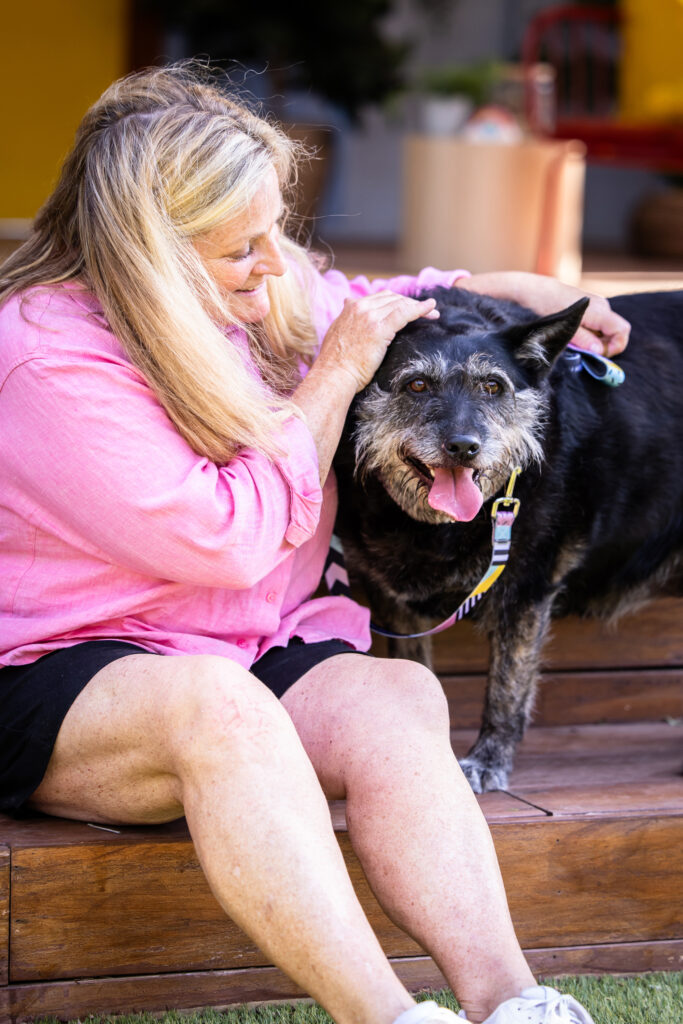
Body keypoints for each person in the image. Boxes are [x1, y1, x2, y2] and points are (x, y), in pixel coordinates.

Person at [0, 63, 628, 1024]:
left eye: (273, 232)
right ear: (149, 251)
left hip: (242, 645)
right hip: (71, 670)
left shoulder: (249, 286)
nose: (272, 261)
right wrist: (331, 380)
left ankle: (515, 1006)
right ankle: (386, 1019)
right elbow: (228, 540)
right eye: (240, 246)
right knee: (215, 710)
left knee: (396, 695)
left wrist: (489, 290)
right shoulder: (47, 359)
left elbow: (349, 295)